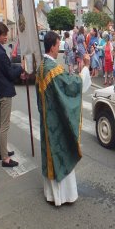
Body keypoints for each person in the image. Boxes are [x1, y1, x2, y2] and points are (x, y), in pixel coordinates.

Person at [36, 31, 89, 206]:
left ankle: (51, 195)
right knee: (62, 152)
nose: (59, 48)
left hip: (46, 120)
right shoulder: (53, 70)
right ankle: (63, 197)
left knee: (50, 154)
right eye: (58, 45)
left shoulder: (41, 67)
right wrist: (85, 70)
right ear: (52, 47)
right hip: (56, 123)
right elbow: (71, 86)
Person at [0, 22, 24, 167]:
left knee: (2, 123)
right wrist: (21, 68)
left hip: (1, 89)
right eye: (4, 35)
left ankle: (2, 151)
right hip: (4, 91)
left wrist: (17, 67)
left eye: (6, 34)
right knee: (4, 125)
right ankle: (5, 158)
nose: (6, 37)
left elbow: (8, 67)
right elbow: (10, 73)